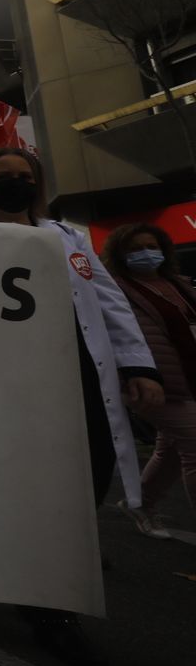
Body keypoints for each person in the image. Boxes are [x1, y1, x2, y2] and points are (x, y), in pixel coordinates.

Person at [0, 146, 161, 666]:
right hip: (12, 385)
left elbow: (109, 303)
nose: (15, 184)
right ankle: (52, 611)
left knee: (91, 479)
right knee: (36, 492)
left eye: (23, 177)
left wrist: (138, 367)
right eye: (3, 177)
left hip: (79, 374)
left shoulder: (70, 238)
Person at [102, 223, 196, 540]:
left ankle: (140, 503)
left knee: (170, 451)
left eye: (152, 246)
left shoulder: (179, 285)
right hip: (154, 381)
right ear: (120, 255)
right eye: (135, 249)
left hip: (189, 378)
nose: (146, 253)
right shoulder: (114, 290)